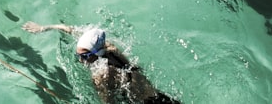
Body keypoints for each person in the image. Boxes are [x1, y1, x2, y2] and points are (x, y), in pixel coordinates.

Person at [22, 21, 182, 104]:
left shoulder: (101, 74)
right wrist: (43, 28)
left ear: (95, 55)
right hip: (158, 95)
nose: (79, 60)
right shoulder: (106, 46)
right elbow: (67, 28)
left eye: (84, 57)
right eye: (79, 54)